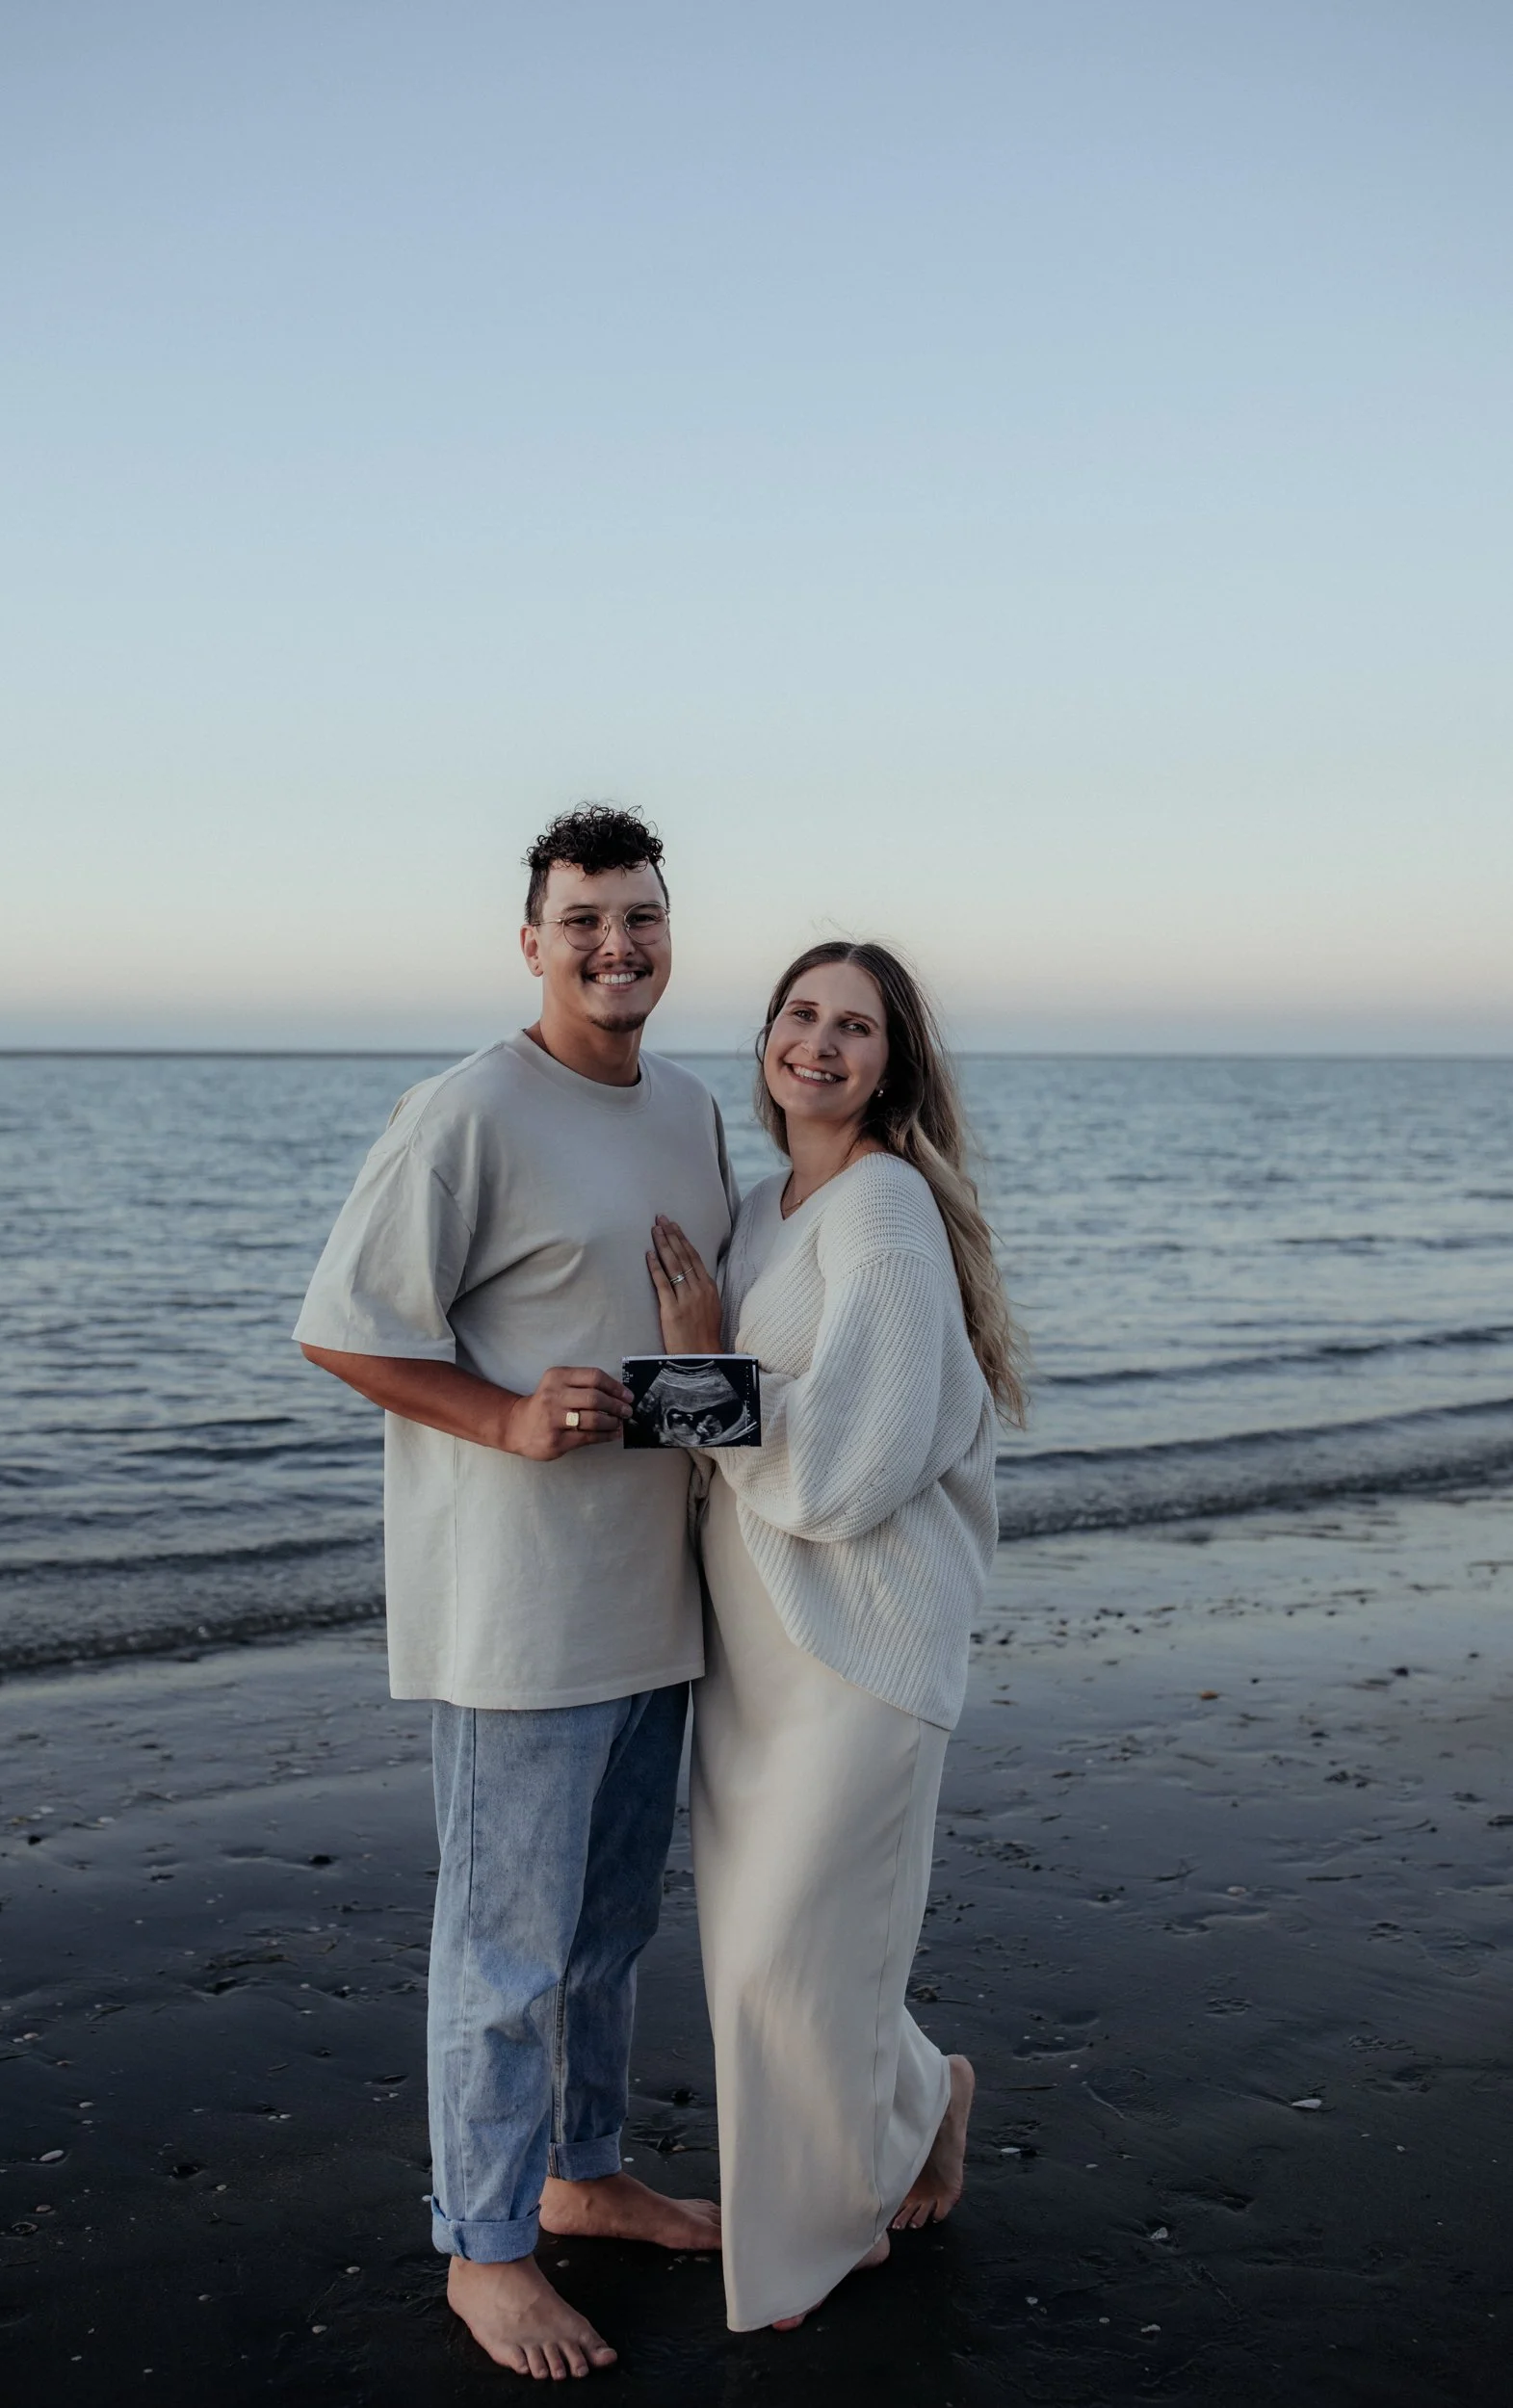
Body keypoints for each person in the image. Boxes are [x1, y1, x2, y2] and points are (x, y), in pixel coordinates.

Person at [295, 806, 735, 2379]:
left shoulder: (689, 1108)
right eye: (585, 920)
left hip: (656, 1598)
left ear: (670, 930)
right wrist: (498, 1417)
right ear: (532, 940)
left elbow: (683, 1357)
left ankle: (584, 2174)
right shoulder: (468, 1109)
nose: (617, 945)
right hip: (517, 1612)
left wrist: (706, 1385)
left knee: (609, 1934)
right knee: (503, 1956)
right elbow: (342, 1325)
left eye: (642, 917)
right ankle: (483, 2253)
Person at [645, 938, 1027, 2334]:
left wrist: (699, 1368)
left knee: (781, 1954)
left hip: (865, 1635)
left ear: (892, 1062)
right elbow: (723, 1425)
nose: (818, 1041)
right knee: (771, 1936)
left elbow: (851, 1459)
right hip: (755, 1637)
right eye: (798, 1015)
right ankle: (923, 2096)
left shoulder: (881, 1214)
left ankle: (817, 2237)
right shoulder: (761, 1210)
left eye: (852, 1026)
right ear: (764, 1042)